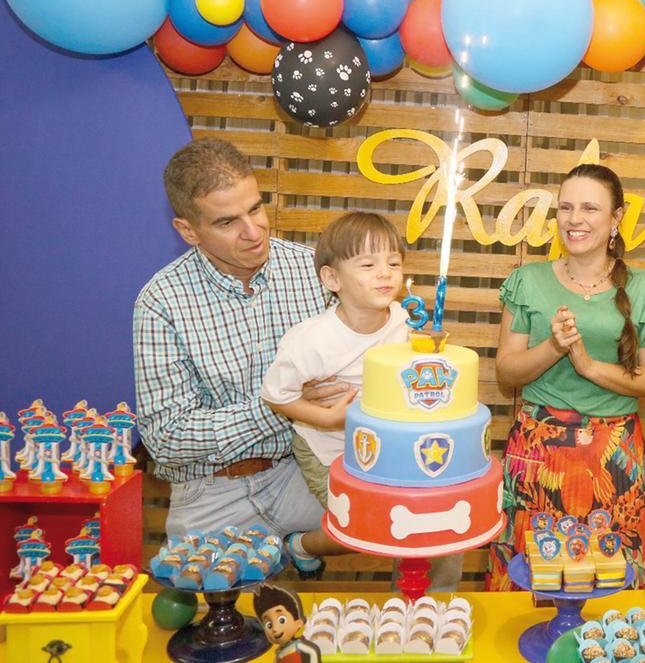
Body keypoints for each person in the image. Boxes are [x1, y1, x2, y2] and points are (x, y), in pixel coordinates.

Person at [134, 138, 353, 574]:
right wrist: (281, 404)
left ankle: (304, 547)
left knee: (405, 522)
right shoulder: (161, 301)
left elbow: (348, 377)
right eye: (227, 222)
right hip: (209, 494)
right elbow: (166, 438)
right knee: (203, 625)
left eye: (255, 208)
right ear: (188, 231)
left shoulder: (314, 272)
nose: (253, 231)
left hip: (301, 473)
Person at [487, 164, 645, 589]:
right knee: (529, 573)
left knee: (607, 578)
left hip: (614, 455)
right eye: (566, 207)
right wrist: (554, 348)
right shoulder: (527, 281)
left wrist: (588, 365)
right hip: (537, 449)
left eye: (590, 208)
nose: (575, 219)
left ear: (616, 217)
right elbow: (506, 371)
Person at [259, 210, 461, 589]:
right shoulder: (311, 339)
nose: (385, 273)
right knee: (363, 525)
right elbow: (275, 397)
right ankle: (302, 545)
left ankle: (427, 608)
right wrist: (329, 420)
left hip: (390, 448)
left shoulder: (407, 325)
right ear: (332, 278)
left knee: (422, 524)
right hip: (328, 446)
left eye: (393, 262)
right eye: (368, 264)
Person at [254, 583, 322, 663]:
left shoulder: (298, 646)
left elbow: (313, 652)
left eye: (281, 620)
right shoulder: (279, 652)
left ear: (298, 623)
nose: (275, 628)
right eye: (269, 625)